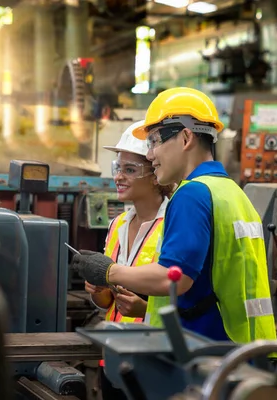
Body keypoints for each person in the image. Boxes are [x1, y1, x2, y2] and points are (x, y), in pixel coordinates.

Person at [73, 87, 277, 346]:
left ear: (185, 137)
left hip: (206, 352)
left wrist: (109, 272)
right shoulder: (233, 193)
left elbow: (174, 277)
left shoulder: (192, 194)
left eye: (155, 141)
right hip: (246, 349)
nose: (150, 155)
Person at [85, 120, 174, 400]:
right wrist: (98, 291)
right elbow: (106, 304)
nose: (119, 177)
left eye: (130, 170)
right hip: (113, 354)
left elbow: (185, 295)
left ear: (155, 175)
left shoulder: (172, 224)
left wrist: (144, 309)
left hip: (153, 360)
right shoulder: (117, 224)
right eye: (117, 168)